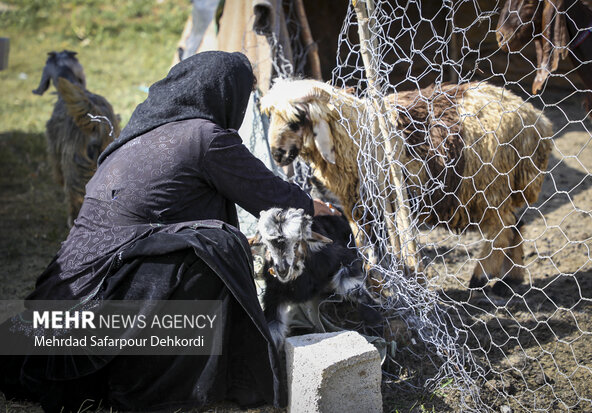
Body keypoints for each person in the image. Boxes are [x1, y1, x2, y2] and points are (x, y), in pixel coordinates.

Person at [0, 51, 339, 412]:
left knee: (203, 241)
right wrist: (325, 209)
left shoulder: (133, 140)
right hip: (101, 313)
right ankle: (150, 390)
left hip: (60, 309)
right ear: (225, 95)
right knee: (214, 248)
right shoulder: (205, 137)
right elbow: (274, 196)